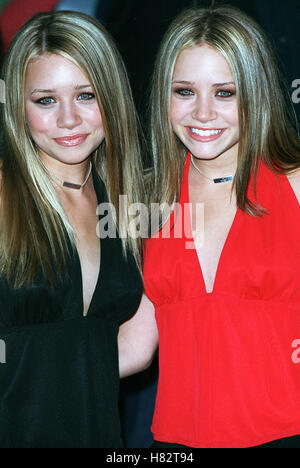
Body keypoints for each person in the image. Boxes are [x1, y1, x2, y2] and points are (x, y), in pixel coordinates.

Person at [119, 4, 300, 448]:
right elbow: (135, 348)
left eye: (225, 92)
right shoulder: (151, 200)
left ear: (256, 94)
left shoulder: (295, 185)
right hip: (177, 443)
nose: (202, 113)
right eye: (184, 91)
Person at [0, 10, 144, 448]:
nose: (68, 120)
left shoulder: (128, 202)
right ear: (17, 106)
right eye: (45, 100)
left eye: (86, 96)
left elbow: (134, 349)